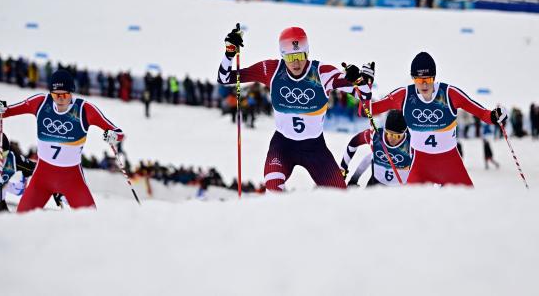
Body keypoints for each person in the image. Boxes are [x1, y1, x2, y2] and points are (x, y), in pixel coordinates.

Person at [217, 25, 373, 191]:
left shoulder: (322, 73)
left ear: (307, 52)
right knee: (273, 185)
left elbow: (365, 95)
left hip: (315, 148)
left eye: (300, 55)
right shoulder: (271, 70)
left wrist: (359, 80)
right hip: (283, 146)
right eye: (290, 57)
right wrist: (229, 53)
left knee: (339, 195)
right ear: (283, 56)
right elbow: (224, 78)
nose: (296, 62)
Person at [0, 69, 125, 212]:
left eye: (65, 94)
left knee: (91, 221)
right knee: (21, 218)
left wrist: (113, 136)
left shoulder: (84, 110)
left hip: (72, 180)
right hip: (41, 179)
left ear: (72, 92)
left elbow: (119, 133)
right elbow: (5, 112)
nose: (60, 98)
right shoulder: (40, 103)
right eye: (56, 95)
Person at [371, 52, 507, 186]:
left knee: (469, 202)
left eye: (428, 79)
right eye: (419, 80)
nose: (424, 84)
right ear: (413, 78)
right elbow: (367, 110)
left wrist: (495, 116)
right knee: (411, 204)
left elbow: (483, 114)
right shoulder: (404, 95)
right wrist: (363, 86)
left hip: (450, 163)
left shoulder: (449, 94)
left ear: (434, 77)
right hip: (420, 166)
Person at [342, 110, 412, 187]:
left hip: (399, 190)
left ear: (404, 133)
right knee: (373, 154)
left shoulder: (411, 143)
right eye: (388, 134)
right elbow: (354, 143)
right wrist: (344, 168)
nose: (392, 139)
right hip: (375, 186)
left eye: (397, 136)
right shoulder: (375, 136)